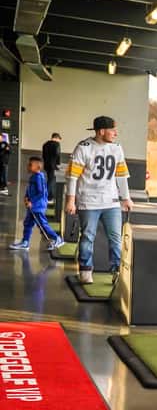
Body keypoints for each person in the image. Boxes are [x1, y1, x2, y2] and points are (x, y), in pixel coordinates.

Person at [65, 116, 132, 285]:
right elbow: (73, 176)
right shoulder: (84, 148)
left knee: (116, 237)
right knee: (87, 236)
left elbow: (122, 175)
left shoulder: (117, 148)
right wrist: (71, 200)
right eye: (112, 130)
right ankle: (86, 270)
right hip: (88, 201)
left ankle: (117, 270)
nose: (116, 133)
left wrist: (126, 198)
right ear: (102, 131)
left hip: (111, 202)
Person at [9, 156, 64, 251]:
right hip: (33, 206)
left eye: (30, 165)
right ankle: (25, 242)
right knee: (28, 223)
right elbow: (30, 189)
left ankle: (57, 238)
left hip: (37, 206)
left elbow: (41, 192)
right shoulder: (33, 177)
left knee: (42, 224)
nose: (28, 166)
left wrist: (31, 201)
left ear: (38, 167)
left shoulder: (38, 177)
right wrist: (26, 197)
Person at [41, 132, 61, 200]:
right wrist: (58, 164)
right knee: (51, 180)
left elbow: (43, 155)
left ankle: (50, 195)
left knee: (50, 179)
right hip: (53, 165)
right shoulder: (57, 144)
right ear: (56, 138)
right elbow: (57, 155)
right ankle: (46, 194)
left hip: (46, 164)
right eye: (59, 139)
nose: (59, 140)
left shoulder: (45, 144)